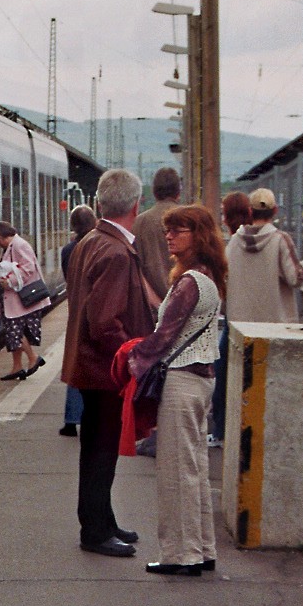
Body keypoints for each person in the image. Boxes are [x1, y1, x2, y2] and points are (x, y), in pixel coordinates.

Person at [126, 204, 227, 577]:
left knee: (176, 471)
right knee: (194, 468)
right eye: (168, 230)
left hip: (182, 382)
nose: (168, 236)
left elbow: (164, 336)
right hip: (201, 380)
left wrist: (132, 361)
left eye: (177, 230)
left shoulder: (189, 283)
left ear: (197, 235)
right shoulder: (208, 276)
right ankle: (202, 549)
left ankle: (181, 556)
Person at [62, 169, 159, 557]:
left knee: (94, 449)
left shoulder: (90, 241)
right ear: (136, 205)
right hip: (106, 371)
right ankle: (96, 531)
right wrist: (134, 359)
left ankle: (102, 518)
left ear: (101, 203)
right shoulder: (116, 252)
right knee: (101, 451)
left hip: (89, 366)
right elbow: (104, 322)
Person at [209, 191, 254, 447]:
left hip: (234, 317)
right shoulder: (267, 237)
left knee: (223, 374)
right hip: (260, 317)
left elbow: (224, 283)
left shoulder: (232, 245)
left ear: (226, 217)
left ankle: (220, 431)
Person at [225, 188, 303, 324]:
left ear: (250, 211)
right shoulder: (280, 240)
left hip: (239, 325)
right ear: (275, 210)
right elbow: (296, 278)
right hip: (275, 326)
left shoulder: (234, 242)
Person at [0, 221, 52, 381]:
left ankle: (33, 358)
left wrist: (9, 281)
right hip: (12, 300)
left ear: (5, 235)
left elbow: (28, 267)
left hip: (19, 299)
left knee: (15, 332)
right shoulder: (10, 246)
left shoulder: (19, 245)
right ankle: (17, 367)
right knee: (13, 332)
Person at [58, 204, 98, 436]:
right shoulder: (99, 246)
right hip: (95, 311)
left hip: (75, 311)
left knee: (76, 365)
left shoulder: (68, 250)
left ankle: (71, 420)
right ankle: (94, 416)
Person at [133, 167, 183, 297]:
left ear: (154, 192)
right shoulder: (190, 219)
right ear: (178, 192)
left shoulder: (139, 223)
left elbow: (135, 270)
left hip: (150, 303)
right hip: (185, 299)